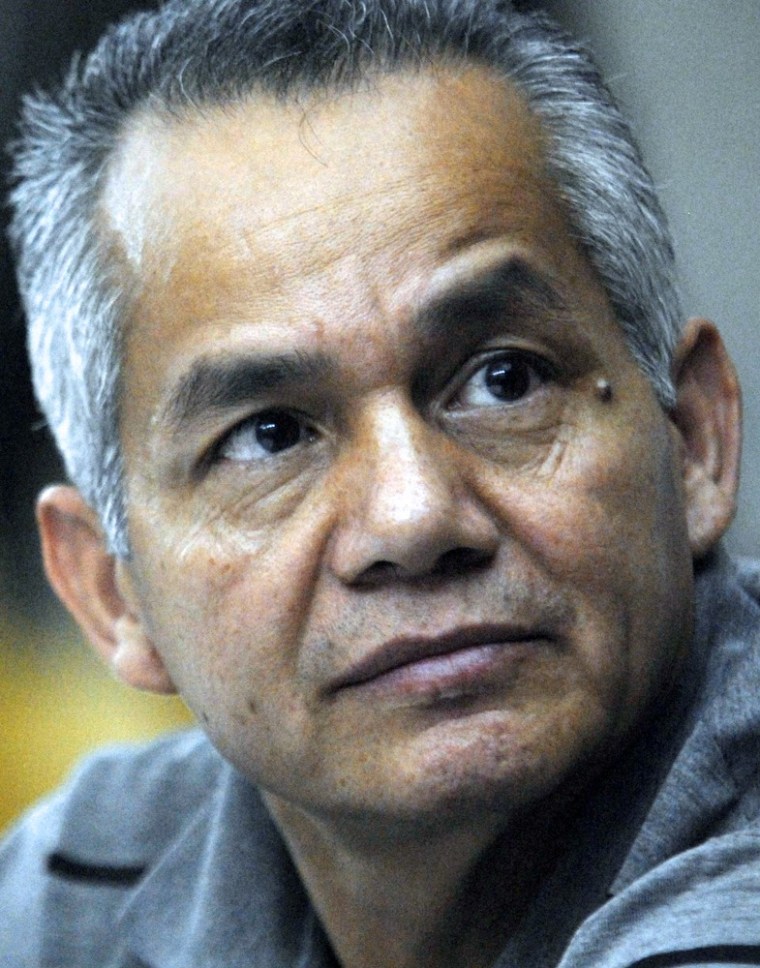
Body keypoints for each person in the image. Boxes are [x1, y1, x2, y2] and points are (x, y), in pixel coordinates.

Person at [1, 1, 758, 965]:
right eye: (269, 437)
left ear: (694, 438)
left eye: (504, 380)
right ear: (112, 595)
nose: (414, 515)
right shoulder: (77, 883)